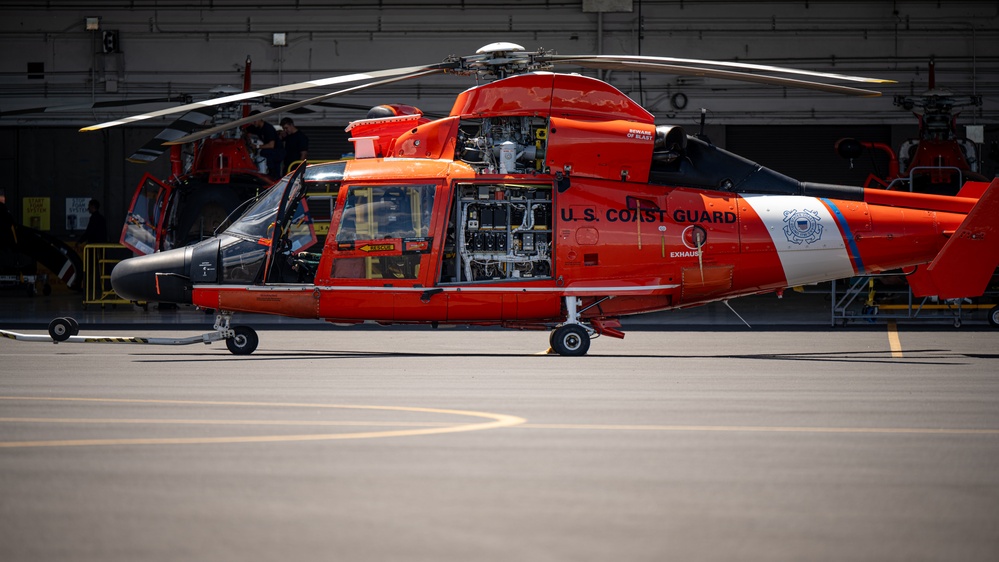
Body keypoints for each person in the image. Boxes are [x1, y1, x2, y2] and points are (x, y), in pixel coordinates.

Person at [246, 111, 285, 180]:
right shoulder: (256, 128)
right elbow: (246, 131)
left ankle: (272, 174)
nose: (253, 123)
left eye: (254, 121)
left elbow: (271, 145)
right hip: (269, 154)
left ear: (259, 118)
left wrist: (257, 146)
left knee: (263, 154)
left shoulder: (268, 128)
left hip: (276, 153)